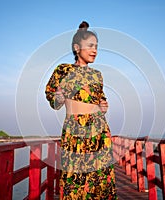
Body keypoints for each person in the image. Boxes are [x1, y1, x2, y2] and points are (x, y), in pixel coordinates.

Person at [45, 21, 117, 199]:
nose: (95, 50)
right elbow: (54, 102)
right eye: (90, 46)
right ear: (77, 47)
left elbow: (102, 102)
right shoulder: (63, 70)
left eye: (96, 47)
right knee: (74, 179)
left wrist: (103, 107)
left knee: (99, 179)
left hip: (99, 129)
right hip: (74, 129)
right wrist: (59, 97)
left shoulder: (97, 75)